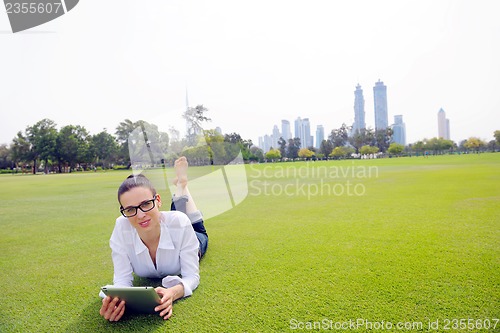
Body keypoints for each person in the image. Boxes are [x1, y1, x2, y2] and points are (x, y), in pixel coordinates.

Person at [99, 156, 208, 321]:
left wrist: (173, 292)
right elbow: (121, 280)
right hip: (168, 221)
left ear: (157, 200)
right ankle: (179, 187)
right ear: (123, 211)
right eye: (130, 209)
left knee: (190, 222)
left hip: (195, 240)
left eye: (145, 204)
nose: (140, 215)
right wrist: (115, 301)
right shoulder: (121, 228)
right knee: (172, 216)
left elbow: (191, 276)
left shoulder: (180, 223)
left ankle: (182, 185)